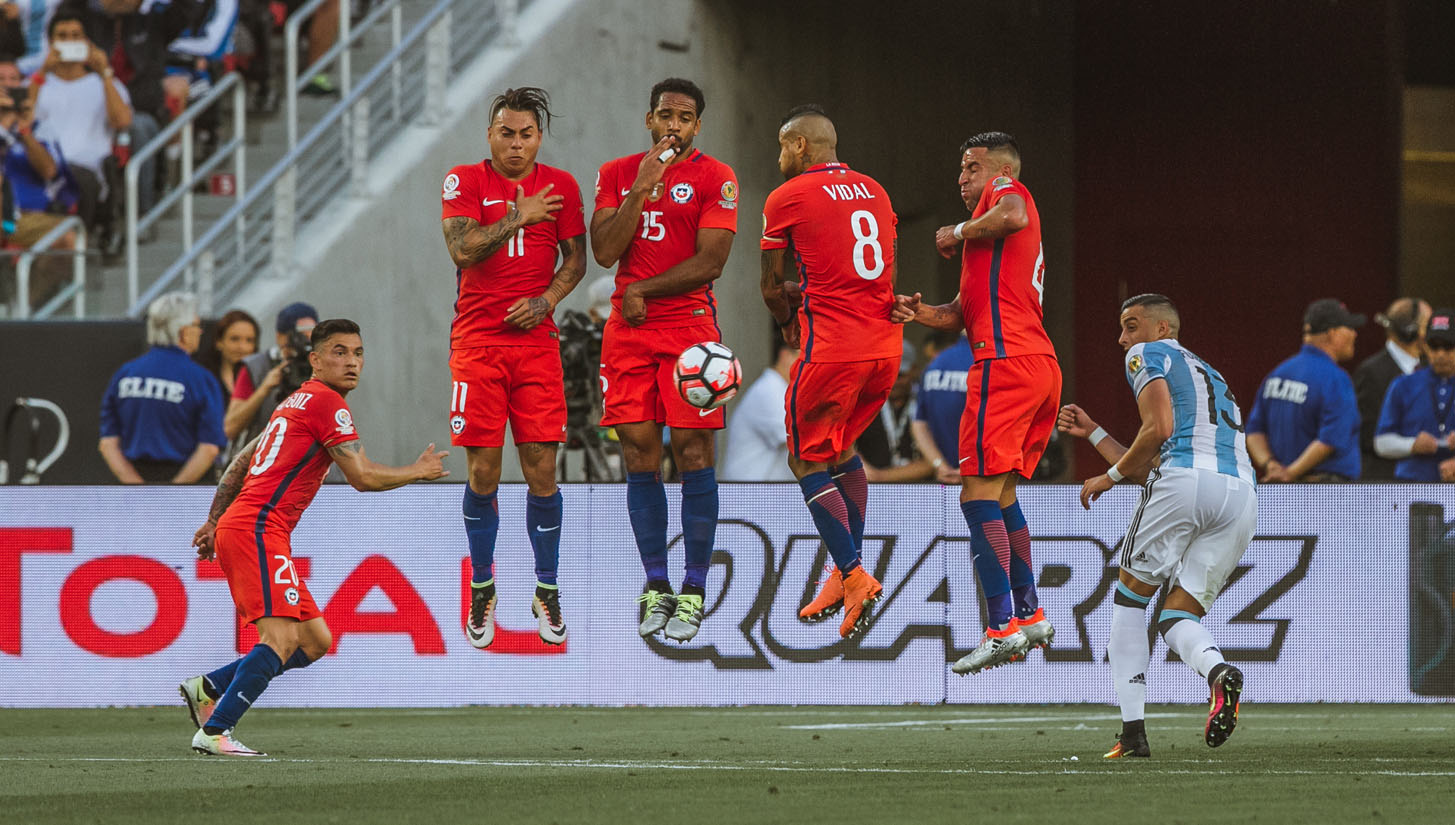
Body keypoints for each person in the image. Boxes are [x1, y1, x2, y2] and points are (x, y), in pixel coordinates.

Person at [180, 318, 449, 756]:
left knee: (314, 641)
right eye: (339, 352)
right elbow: (361, 478)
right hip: (257, 529)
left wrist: (214, 520)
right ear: (315, 360)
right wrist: (417, 471)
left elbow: (241, 461)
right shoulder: (327, 403)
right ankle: (215, 731)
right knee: (281, 640)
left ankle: (209, 687)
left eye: (358, 353)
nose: (351, 362)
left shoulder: (294, 402)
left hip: (251, 528)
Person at [1058, 294, 1254, 758]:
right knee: (1177, 616)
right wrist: (1095, 433)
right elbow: (1154, 464)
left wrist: (1107, 477)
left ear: (1162, 328)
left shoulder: (1147, 354)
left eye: (1131, 325)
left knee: (1130, 599)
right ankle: (1219, 672)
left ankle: (1132, 733)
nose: (1122, 339)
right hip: (1241, 494)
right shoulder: (1211, 374)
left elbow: (1159, 430)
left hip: (1184, 482)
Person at [892, 131, 1059, 673]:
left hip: (1005, 364)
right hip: (1037, 365)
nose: (962, 178)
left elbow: (1012, 213)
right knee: (1002, 494)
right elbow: (959, 314)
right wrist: (917, 313)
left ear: (1000, 170)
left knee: (975, 495)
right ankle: (1030, 614)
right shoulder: (989, 249)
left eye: (971, 167)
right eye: (961, 169)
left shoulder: (1006, 197)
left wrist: (957, 230)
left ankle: (1000, 627)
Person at [589, 77, 737, 643]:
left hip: (688, 328)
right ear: (649, 119)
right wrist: (642, 187)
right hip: (628, 332)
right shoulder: (617, 172)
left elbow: (711, 261)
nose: (674, 125)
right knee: (637, 451)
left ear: (697, 125)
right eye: (665, 115)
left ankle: (694, 589)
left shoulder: (717, 177)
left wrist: (644, 289)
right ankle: (657, 584)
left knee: (693, 451)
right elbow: (605, 251)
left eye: (685, 117)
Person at [439, 86, 586, 648]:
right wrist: (518, 217)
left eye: (526, 134)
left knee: (542, 467)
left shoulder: (563, 186)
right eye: (507, 133)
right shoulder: (464, 181)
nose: (517, 144)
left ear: (539, 138)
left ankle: (546, 587)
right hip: (478, 343)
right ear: (490, 134)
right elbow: (462, 250)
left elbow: (577, 260)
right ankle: (482, 585)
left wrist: (548, 300)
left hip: (536, 345)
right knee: (483, 471)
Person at [760, 105, 899, 637]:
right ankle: (845, 575)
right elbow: (875, 272)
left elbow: (771, 286)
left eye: (782, 145)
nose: (779, 156)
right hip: (883, 348)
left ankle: (853, 573)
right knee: (841, 451)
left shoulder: (788, 196)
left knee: (804, 458)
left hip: (833, 349)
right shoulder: (876, 190)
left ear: (799, 145)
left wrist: (787, 321)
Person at [97, 291, 226, 483]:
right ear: (183, 332)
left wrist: (137, 487)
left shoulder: (125, 374)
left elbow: (108, 444)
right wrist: (172, 491)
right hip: (187, 484)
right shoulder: (201, 379)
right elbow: (209, 448)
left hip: (132, 482)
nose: (200, 332)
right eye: (196, 326)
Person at [30, 7, 131, 239]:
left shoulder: (106, 84)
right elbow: (21, 121)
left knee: (77, 178)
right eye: (62, 36)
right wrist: (43, 70)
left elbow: (122, 121)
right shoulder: (36, 83)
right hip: (42, 168)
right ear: (51, 43)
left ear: (87, 42)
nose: (69, 42)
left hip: (89, 171)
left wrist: (105, 73)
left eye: (76, 36)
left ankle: (75, 245)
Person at [1245, 298, 1364, 482]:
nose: (1354, 334)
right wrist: (1290, 473)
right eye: (1349, 328)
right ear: (1332, 333)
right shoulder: (1336, 379)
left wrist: (1270, 465)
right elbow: (1330, 439)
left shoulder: (1278, 373)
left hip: (1283, 488)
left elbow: (1254, 432)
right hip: (1327, 488)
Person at [1375, 308, 1455, 482]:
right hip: (1412, 486)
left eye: (1449, 346)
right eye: (1434, 346)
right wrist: (1412, 445)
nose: (1440, 354)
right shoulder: (1403, 384)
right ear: (1424, 346)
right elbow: (1381, 442)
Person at [1355, 297, 1431, 480]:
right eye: (1428, 326)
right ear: (1412, 332)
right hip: (1386, 481)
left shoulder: (1430, 370)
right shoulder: (1371, 372)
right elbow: (1367, 435)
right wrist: (1413, 444)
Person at [224, 300, 317, 446]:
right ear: (279, 337)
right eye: (298, 337)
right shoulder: (256, 368)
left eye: (310, 337)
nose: (304, 344)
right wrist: (264, 389)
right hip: (265, 454)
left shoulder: (322, 366)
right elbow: (229, 429)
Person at [719, 335, 797, 482]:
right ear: (785, 355)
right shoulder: (770, 389)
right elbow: (803, 441)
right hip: (747, 492)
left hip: (768, 491)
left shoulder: (781, 390)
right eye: (803, 360)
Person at [912, 332, 973, 486]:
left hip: (945, 477)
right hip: (986, 479)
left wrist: (940, 465)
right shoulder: (991, 362)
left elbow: (919, 424)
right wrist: (974, 468)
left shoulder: (935, 365)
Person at [195, 308, 259, 406]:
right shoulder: (203, 379)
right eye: (234, 339)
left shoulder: (262, 378)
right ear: (219, 342)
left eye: (249, 340)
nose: (242, 347)